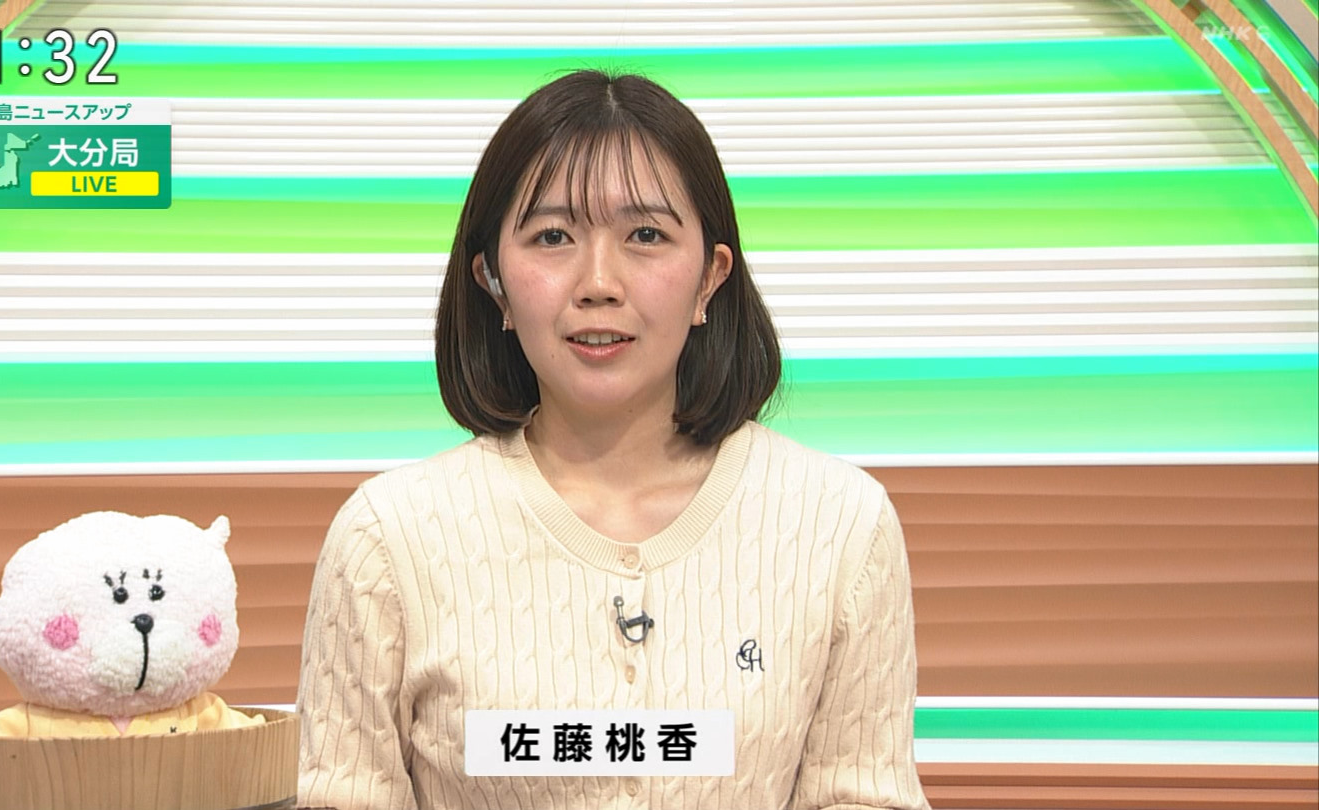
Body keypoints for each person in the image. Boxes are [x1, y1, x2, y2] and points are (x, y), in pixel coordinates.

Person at [296, 70, 930, 810]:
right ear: (493, 281)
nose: (599, 282)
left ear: (709, 278)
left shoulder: (840, 524)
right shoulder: (388, 539)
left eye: (646, 235)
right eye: (553, 237)